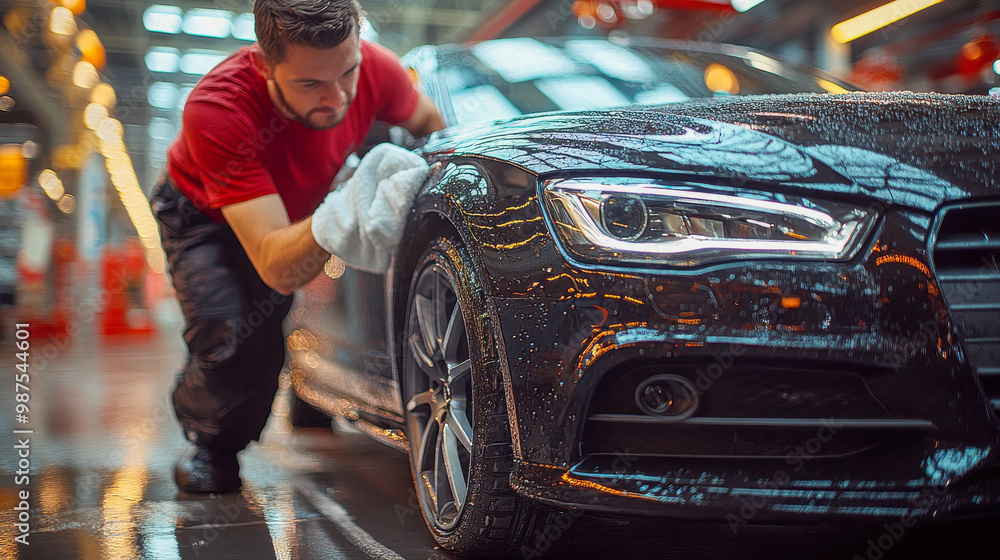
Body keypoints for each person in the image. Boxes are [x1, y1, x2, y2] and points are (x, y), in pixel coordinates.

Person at [150, 0, 445, 493]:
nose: (337, 98)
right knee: (227, 328)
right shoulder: (218, 108)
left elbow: (433, 128)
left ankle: (223, 403)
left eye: (346, 72)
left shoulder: (377, 69)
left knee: (263, 341)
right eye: (310, 83)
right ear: (265, 65)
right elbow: (277, 266)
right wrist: (344, 207)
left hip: (291, 211)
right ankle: (210, 445)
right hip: (204, 215)